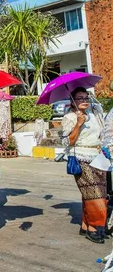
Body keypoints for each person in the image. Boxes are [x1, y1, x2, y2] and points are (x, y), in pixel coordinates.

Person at [63, 87, 107, 244]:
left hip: (98, 158)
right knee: (94, 194)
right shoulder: (69, 117)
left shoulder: (94, 114)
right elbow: (69, 141)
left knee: (95, 193)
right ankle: (94, 228)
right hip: (80, 158)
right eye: (80, 98)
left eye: (86, 98)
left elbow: (101, 133)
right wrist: (78, 124)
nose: (84, 101)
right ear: (73, 101)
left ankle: (85, 225)